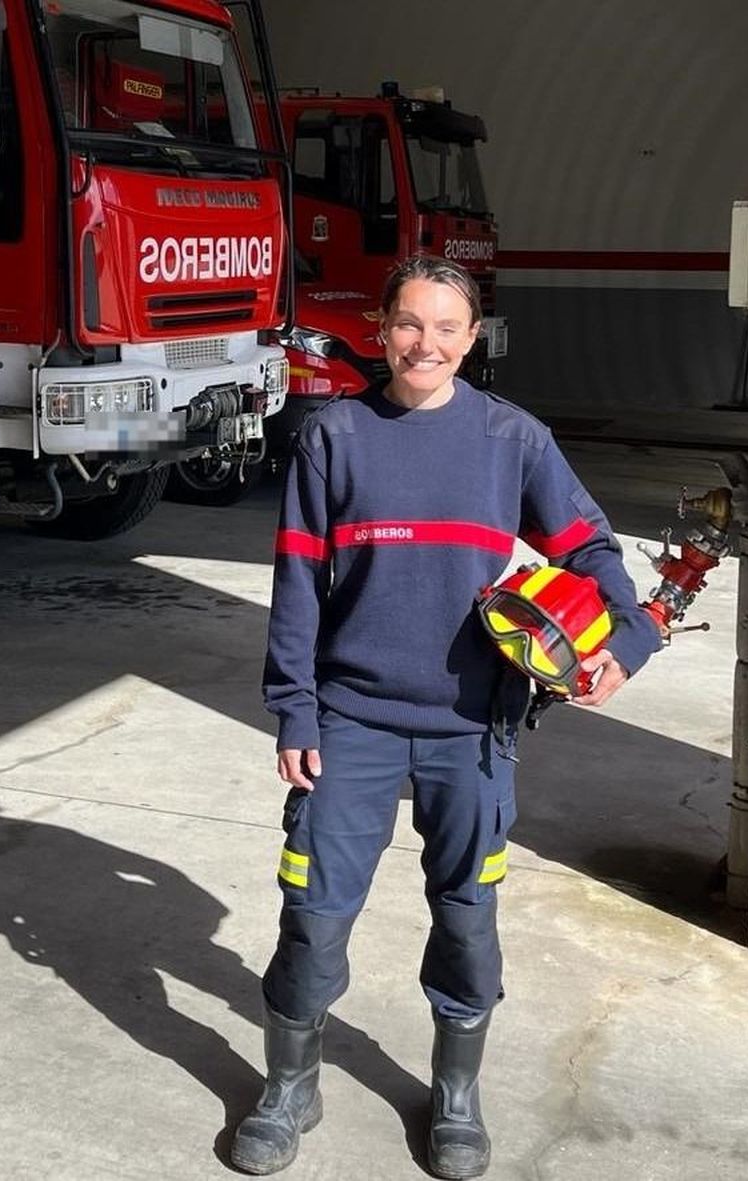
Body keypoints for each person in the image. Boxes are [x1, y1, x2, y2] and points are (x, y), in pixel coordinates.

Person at [230, 255, 661, 1179]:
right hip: (351, 720)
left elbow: (589, 544)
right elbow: (298, 583)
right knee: (312, 911)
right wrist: (294, 710)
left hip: (473, 728)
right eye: (409, 323)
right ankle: (288, 1081)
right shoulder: (334, 437)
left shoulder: (512, 439)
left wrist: (625, 638)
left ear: (473, 339)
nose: (426, 343)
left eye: (447, 327)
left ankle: (455, 1092)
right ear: (382, 328)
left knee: (467, 916)